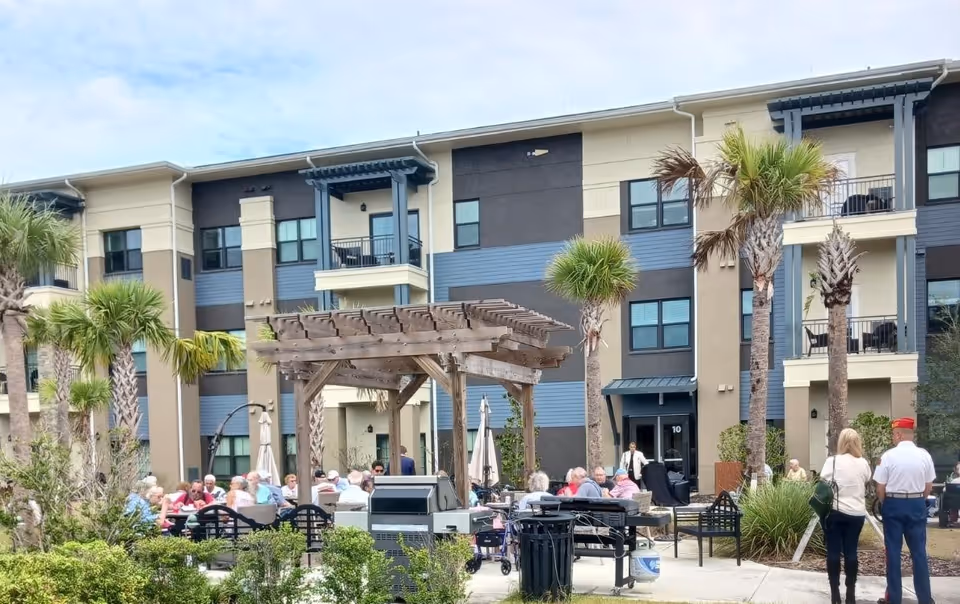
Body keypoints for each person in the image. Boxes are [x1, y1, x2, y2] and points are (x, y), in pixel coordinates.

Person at [873, 417, 936, 604]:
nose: (893, 437)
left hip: (893, 504)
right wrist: (918, 499)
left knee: (893, 552)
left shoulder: (888, 456)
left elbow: (879, 488)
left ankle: (893, 599)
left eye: (894, 434)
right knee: (919, 553)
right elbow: (929, 486)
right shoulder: (924, 455)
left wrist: (887, 503)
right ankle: (925, 599)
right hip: (917, 503)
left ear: (899, 434)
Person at [820, 428, 872, 604]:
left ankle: (835, 594)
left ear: (841, 442)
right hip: (856, 513)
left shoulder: (832, 461)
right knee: (851, 552)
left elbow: (823, 481)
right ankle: (851, 593)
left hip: (835, 511)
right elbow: (866, 479)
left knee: (833, 552)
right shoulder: (863, 463)